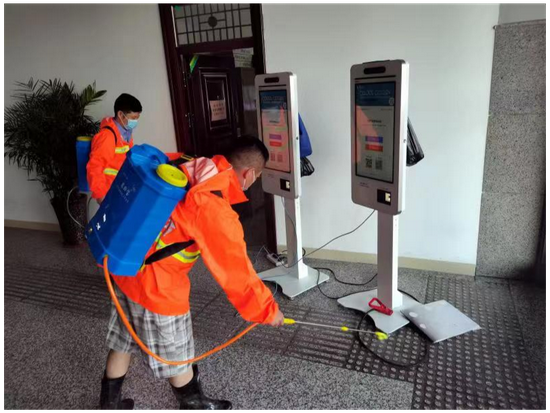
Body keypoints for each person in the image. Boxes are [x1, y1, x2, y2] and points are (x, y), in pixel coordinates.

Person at [99, 136, 284, 410]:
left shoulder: (190, 163)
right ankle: (195, 405)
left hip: (127, 266)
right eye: (256, 177)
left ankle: (109, 405)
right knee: (178, 355)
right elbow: (236, 271)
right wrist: (268, 310)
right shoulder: (213, 204)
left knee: (123, 341)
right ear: (249, 174)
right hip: (158, 287)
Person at [87, 93, 142, 218]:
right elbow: (95, 167)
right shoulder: (107, 137)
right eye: (133, 118)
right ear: (121, 115)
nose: (135, 122)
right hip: (109, 193)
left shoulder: (125, 133)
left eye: (137, 118)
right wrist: (101, 197)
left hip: (120, 190)